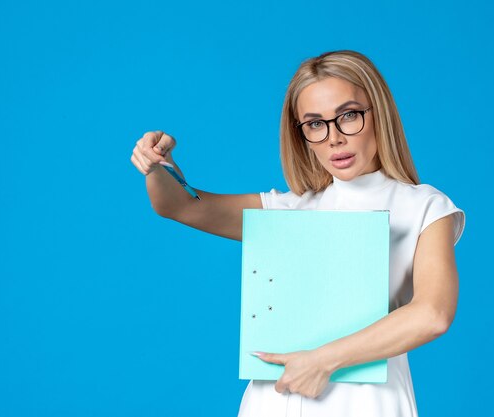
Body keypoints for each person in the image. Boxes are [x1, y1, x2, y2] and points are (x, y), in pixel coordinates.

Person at [130, 50, 465, 417]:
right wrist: (158, 165)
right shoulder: (287, 211)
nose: (334, 138)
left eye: (348, 115)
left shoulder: (425, 207)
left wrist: (323, 361)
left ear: (378, 114)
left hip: (368, 403)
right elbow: (179, 205)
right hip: (273, 400)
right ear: (301, 134)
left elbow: (432, 313)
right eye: (315, 123)